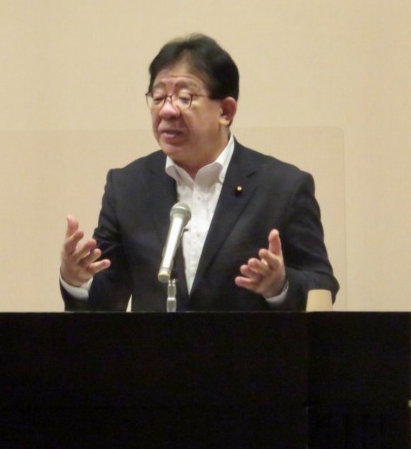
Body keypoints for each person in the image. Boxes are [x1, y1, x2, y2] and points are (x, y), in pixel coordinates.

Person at [59, 33, 339, 311]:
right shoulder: (127, 187)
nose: (167, 111)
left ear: (225, 111)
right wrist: (77, 280)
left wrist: (280, 286)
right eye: (158, 97)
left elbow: (321, 284)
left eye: (185, 97)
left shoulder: (283, 187)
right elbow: (108, 297)